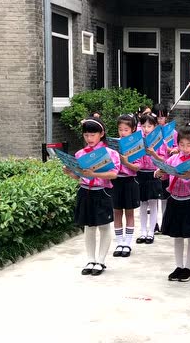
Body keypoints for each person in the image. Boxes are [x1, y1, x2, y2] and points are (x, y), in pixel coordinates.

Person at [154, 125, 190, 282]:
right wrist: (160, 173)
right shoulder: (173, 159)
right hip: (174, 200)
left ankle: (188, 267)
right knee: (177, 236)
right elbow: (165, 176)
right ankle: (179, 266)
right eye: (181, 145)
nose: (185, 148)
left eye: (189, 145)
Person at [63, 117, 120, 276]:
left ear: (101, 134)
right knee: (88, 226)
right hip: (85, 191)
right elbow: (79, 176)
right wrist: (70, 172)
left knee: (103, 226)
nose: (89, 138)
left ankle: (101, 261)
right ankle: (91, 259)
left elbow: (114, 174)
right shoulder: (80, 153)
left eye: (92, 135)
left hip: (102, 191)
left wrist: (94, 173)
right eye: (86, 135)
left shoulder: (110, 153)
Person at [111, 114, 142, 258]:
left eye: (126, 130)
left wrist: (125, 161)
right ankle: (119, 242)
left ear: (133, 130)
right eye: (120, 129)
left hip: (129, 181)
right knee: (117, 212)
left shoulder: (137, 146)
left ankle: (128, 243)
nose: (122, 133)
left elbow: (137, 167)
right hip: (116, 181)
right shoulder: (114, 145)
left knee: (129, 213)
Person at [136, 113, 163, 244]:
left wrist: (153, 153)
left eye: (149, 126)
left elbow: (164, 159)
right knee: (142, 204)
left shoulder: (159, 140)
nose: (146, 129)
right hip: (141, 173)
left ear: (155, 126)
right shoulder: (138, 140)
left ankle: (151, 232)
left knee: (153, 204)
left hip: (153, 173)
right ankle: (142, 232)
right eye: (143, 126)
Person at [152, 102, 175, 234]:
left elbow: (178, 148)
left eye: (162, 117)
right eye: (157, 117)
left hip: (166, 167)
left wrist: (172, 149)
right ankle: (154, 224)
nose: (160, 120)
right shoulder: (150, 131)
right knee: (153, 199)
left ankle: (165, 223)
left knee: (166, 197)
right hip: (153, 168)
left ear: (166, 117)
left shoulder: (172, 132)